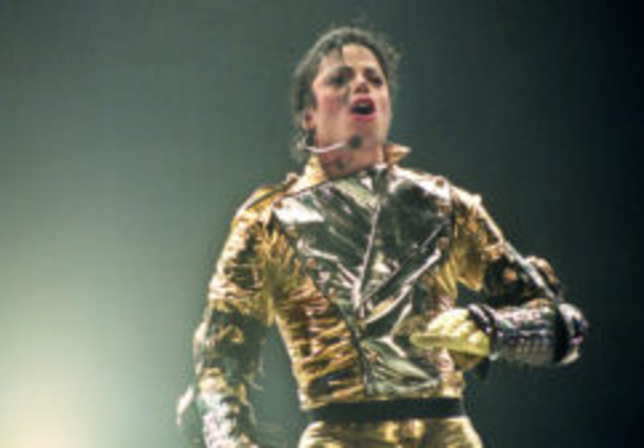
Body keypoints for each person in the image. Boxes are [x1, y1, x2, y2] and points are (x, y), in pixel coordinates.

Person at [177, 25, 587, 448]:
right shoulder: (269, 222)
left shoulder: (446, 205)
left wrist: (493, 329)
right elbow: (216, 370)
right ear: (308, 116)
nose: (361, 85)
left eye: (374, 79)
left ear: (387, 105)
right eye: (339, 78)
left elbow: (566, 327)